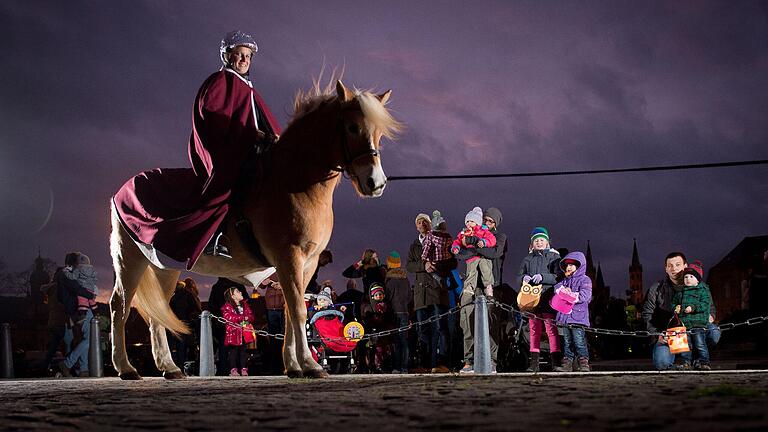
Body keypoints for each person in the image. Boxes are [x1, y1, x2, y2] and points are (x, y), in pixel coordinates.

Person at [113, 30, 281, 269]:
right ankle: (215, 237)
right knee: (229, 185)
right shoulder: (219, 81)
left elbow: (262, 121)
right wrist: (252, 135)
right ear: (227, 56)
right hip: (227, 153)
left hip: (251, 152)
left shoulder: (249, 89)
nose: (244, 60)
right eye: (239, 54)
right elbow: (212, 118)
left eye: (248, 56)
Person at [458, 207, 506, 374]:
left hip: (492, 285)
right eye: (484, 219)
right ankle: (469, 360)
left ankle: (491, 360)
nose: (487, 223)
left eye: (490, 221)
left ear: (496, 223)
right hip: (473, 285)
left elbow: (494, 252)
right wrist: (471, 242)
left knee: (491, 324)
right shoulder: (471, 232)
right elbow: (461, 254)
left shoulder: (500, 237)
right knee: (468, 323)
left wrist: (474, 244)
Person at [406, 213, 450, 373]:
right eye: (419, 222)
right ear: (416, 226)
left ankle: (441, 363)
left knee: (440, 329)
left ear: (430, 224)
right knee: (422, 330)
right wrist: (423, 265)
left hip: (437, 292)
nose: (422, 224)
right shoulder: (414, 246)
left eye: (425, 221)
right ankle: (424, 363)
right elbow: (409, 266)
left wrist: (437, 265)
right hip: (420, 295)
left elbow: (450, 261)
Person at [516, 227, 562, 372]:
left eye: (542, 240)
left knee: (551, 329)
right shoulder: (527, 259)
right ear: (532, 243)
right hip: (531, 299)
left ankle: (556, 362)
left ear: (547, 242)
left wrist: (543, 277)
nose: (539, 242)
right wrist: (524, 278)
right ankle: (534, 363)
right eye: (537, 240)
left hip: (547, 298)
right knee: (534, 330)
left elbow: (558, 276)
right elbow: (518, 276)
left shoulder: (554, 258)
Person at [642, 252, 688, 371]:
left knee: (713, 333)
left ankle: (699, 357)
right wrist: (657, 335)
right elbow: (647, 314)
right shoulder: (656, 288)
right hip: (666, 335)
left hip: (690, 334)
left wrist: (710, 317)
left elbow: (710, 307)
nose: (674, 268)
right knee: (662, 363)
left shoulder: (696, 286)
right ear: (666, 269)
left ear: (685, 266)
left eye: (678, 264)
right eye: (670, 266)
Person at [56, 252, 97, 377]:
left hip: (74, 310)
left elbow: (60, 297)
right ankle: (67, 364)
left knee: (85, 338)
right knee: (90, 339)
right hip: (81, 309)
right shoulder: (68, 275)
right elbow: (78, 289)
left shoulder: (62, 275)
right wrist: (91, 295)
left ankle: (83, 370)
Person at [552, 251, 593, 372]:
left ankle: (584, 362)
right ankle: (567, 363)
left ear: (579, 266)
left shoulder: (585, 280)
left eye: (572, 265)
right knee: (567, 341)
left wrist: (570, 295)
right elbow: (557, 288)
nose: (568, 267)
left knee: (579, 340)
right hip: (565, 317)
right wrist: (562, 291)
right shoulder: (565, 280)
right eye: (567, 265)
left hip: (578, 317)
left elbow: (585, 295)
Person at [672, 260, 713, 370]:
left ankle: (705, 362)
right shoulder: (681, 292)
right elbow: (674, 302)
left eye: (691, 277)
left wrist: (693, 308)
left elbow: (705, 304)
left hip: (698, 323)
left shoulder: (702, 290)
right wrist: (676, 307)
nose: (688, 279)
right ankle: (686, 363)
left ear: (698, 279)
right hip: (685, 324)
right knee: (686, 346)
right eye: (686, 277)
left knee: (700, 344)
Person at [208, 277, 249, 375]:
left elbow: (212, 306)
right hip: (238, 322)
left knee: (224, 347)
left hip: (223, 322)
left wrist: (217, 319)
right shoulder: (238, 286)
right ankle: (241, 368)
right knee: (241, 347)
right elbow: (246, 302)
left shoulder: (217, 287)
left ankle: (224, 369)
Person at [40, 267, 73, 372]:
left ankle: (45, 365)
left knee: (55, 344)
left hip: (53, 320)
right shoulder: (59, 288)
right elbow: (64, 305)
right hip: (61, 320)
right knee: (69, 342)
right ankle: (68, 365)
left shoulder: (51, 289)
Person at [384, 251, 411, 373]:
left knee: (396, 341)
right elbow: (409, 297)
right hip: (404, 312)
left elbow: (388, 298)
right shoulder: (405, 280)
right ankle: (404, 367)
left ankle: (396, 366)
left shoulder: (389, 281)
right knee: (404, 341)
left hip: (394, 313)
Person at [168, 279, 202, 371]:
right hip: (185, 323)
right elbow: (194, 308)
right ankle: (182, 367)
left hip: (176, 323)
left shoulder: (173, 297)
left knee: (177, 347)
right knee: (183, 347)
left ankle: (179, 367)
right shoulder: (188, 294)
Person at [222, 286, 255, 376]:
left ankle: (244, 369)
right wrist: (242, 318)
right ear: (232, 296)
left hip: (243, 332)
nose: (240, 292)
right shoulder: (227, 307)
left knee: (243, 351)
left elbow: (250, 316)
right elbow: (229, 317)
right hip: (233, 333)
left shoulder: (244, 305)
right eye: (237, 291)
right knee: (233, 352)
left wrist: (247, 318)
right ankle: (233, 369)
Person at [421, 210, 457, 284]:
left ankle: (439, 279)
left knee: (433, 272)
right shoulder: (448, 237)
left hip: (435, 260)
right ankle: (452, 281)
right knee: (447, 272)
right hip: (446, 260)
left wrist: (424, 258)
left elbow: (427, 248)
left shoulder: (430, 236)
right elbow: (451, 249)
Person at [62, 254, 98, 320]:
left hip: (72, 309)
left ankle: (86, 315)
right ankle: (95, 313)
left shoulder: (72, 272)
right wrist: (91, 295)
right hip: (73, 310)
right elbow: (77, 289)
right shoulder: (66, 275)